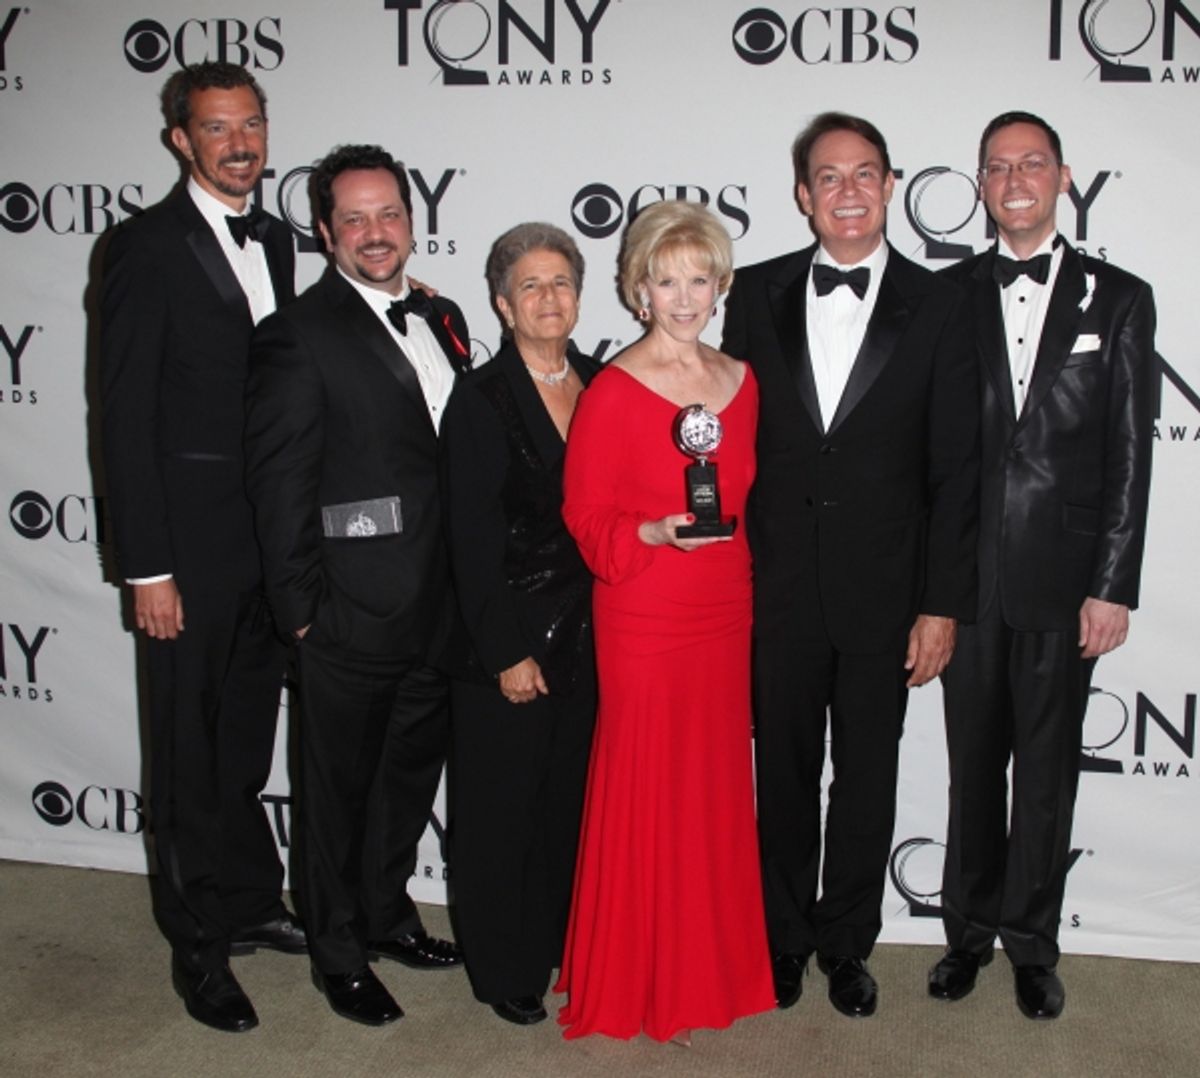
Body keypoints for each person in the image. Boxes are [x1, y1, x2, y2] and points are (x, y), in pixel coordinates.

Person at [721, 112, 979, 1018]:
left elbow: (956, 464)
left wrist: (941, 602)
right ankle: (782, 940)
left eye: (865, 173)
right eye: (828, 177)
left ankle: (846, 948)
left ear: (891, 185)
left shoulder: (944, 300)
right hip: (777, 590)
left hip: (888, 594)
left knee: (866, 779)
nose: (848, 192)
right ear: (803, 195)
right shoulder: (751, 293)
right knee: (782, 775)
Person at [929, 112, 1155, 1020]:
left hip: (1066, 584)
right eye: (997, 166)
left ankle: (1033, 943)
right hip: (968, 582)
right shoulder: (945, 297)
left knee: (1048, 770)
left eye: (1032, 163)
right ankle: (966, 937)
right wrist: (929, 587)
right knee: (971, 769)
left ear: (1065, 178)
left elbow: (1133, 453)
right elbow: (931, 453)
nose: (1014, 178)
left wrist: (1112, 582)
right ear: (980, 185)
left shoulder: (1121, 296)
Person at [243, 144, 470, 1026]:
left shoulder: (442, 315)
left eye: (389, 215)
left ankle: (385, 912)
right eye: (355, 219)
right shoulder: (296, 335)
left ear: (411, 221)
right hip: (347, 610)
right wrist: (302, 613)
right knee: (336, 793)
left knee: (407, 780)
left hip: (441, 607)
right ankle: (338, 949)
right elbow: (279, 484)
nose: (376, 234)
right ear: (325, 231)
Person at [99, 60, 303, 1034]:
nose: (238, 143)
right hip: (184, 548)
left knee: (243, 737)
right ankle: (196, 943)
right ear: (180, 139)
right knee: (185, 748)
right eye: (217, 128)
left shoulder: (278, 240)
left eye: (251, 124)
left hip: (267, 543)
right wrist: (147, 565)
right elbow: (124, 413)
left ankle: (252, 898)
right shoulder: (144, 247)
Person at [556, 200, 775, 1042]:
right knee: (648, 785)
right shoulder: (611, 391)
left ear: (719, 285)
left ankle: (711, 969)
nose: (684, 298)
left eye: (699, 279)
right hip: (646, 612)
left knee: (713, 788)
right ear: (637, 289)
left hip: (724, 610)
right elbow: (585, 517)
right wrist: (647, 532)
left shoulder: (743, 384)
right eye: (664, 279)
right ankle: (639, 977)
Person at [440, 223, 599, 1027]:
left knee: (567, 807)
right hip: (508, 641)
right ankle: (504, 968)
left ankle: (554, 944)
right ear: (502, 305)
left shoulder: (606, 384)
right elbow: (467, 539)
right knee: (503, 811)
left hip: (595, 641)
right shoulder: (481, 399)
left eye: (562, 282)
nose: (549, 299)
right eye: (530, 286)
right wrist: (505, 649)